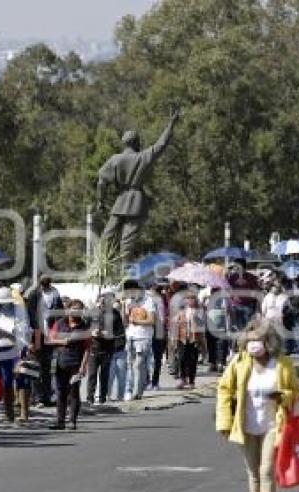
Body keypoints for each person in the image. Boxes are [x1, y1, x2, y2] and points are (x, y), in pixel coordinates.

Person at [215, 318, 299, 492]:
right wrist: (224, 422)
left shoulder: (282, 364)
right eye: (250, 340)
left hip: (273, 425)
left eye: (259, 340)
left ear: (269, 342)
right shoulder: (239, 363)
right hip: (245, 426)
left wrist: (284, 396)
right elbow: (224, 390)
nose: (254, 344)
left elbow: (296, 391)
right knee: (252, 473)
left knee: (266, 471)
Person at [97, 108, 180, 262]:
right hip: (136, 202)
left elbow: (101, 182)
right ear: (137, 143)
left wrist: (101, 201)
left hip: (120, 201)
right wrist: (171, 124)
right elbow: (161, 145)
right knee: (128, 240)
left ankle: (101, 264)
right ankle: (125, 270)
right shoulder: (143, 157)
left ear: (124, 143)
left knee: (108, 235)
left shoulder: (115, 159)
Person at [47, 299, 91, 430]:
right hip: (60, 361)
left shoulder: (84, 327)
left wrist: (83, 367)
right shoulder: (60, 323)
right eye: (74, 309)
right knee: (60, 392)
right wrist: (62, 341)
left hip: (76, 363)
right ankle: (60, 421)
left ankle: (72, 421)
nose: (76, 312)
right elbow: (49, 340)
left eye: (79, 309)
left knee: (74, 392)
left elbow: (87, 349)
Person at [0, 287, 31, 422]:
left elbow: (24, 328)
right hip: (2, 349)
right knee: (6, 381)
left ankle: (24, 413)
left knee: (22, 378)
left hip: (18, 348)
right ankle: (9, 413)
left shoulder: (19, 310)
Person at [25, 274, 64, 407]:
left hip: (50, 333)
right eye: (43, 283)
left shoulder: (55, 294)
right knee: (36, 365)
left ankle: (46, 396)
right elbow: (29, 315)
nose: (45, 285)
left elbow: (60, 313)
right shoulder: (34, 294)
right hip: (37, 333)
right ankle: (37, 397)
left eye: (47, 283)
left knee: (47, 368)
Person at [86, 292, 125, 406]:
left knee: (105, 375)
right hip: (93, 347)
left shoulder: (115, 314)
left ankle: (102, 398)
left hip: (108, 349)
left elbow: (119, 333)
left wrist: (108, 334)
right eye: (103, 299)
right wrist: (91, 333)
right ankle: (90, 398)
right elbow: (83, 328)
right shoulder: (91, 312)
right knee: (92, 375)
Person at [121, 279, 157, 401]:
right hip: (130, 336)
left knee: (138, 364)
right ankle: (131, 390)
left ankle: (137, 391)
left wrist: (137, 321)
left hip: (144, 337)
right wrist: (122, 307)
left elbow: (152, 321)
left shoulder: (148, 301)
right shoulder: (128, 302)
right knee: (130, 365)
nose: (130, 294)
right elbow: (125, 322)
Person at [171, 293, 206, 389]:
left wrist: (195, 317)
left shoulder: (200, 310)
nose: (190, 300)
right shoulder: (182, 310)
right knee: (181, 358)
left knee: (192, 360)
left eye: (192, 298)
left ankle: (191, 380)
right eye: (188, 298)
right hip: (182, 337)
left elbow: (202, 325)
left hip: (194, 338)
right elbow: (175, 322)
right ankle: (182, 379)